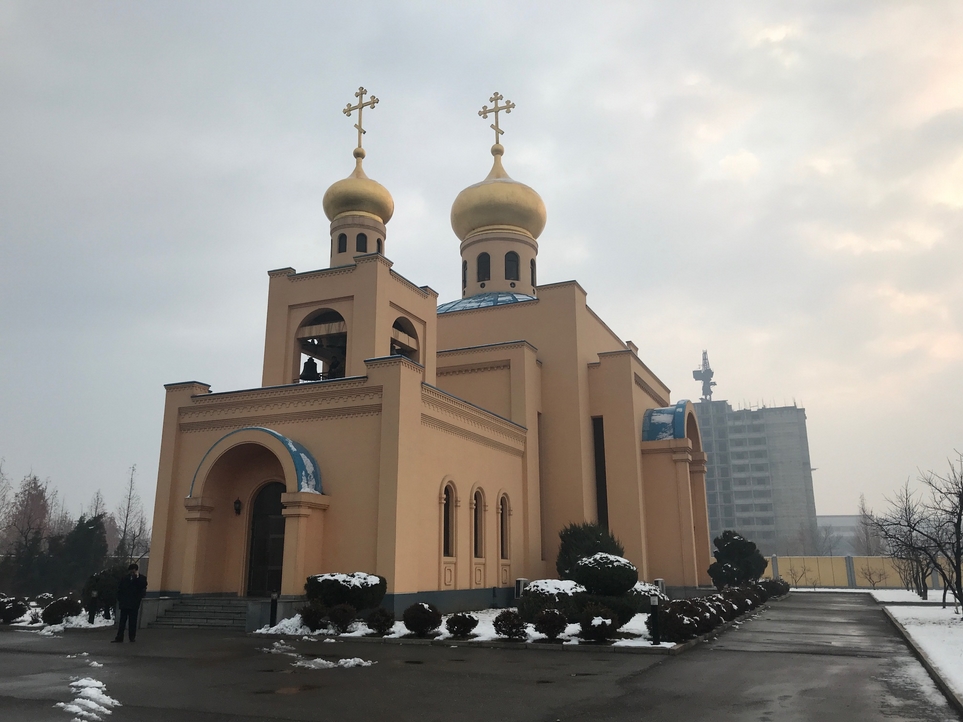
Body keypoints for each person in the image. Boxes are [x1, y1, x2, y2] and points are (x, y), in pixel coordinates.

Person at [112, 563, 147, 643]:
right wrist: (120, 600)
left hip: (134, 604)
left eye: (133, 570)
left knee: (133, 622)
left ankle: (132, 637)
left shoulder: (141, 578)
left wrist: (137, 578)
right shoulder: (124, 578)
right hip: (125, 603)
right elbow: (120, 589)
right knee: (122, 622)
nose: (132, 572)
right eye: (131, 570)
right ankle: (119, 637)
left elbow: (142, 586)